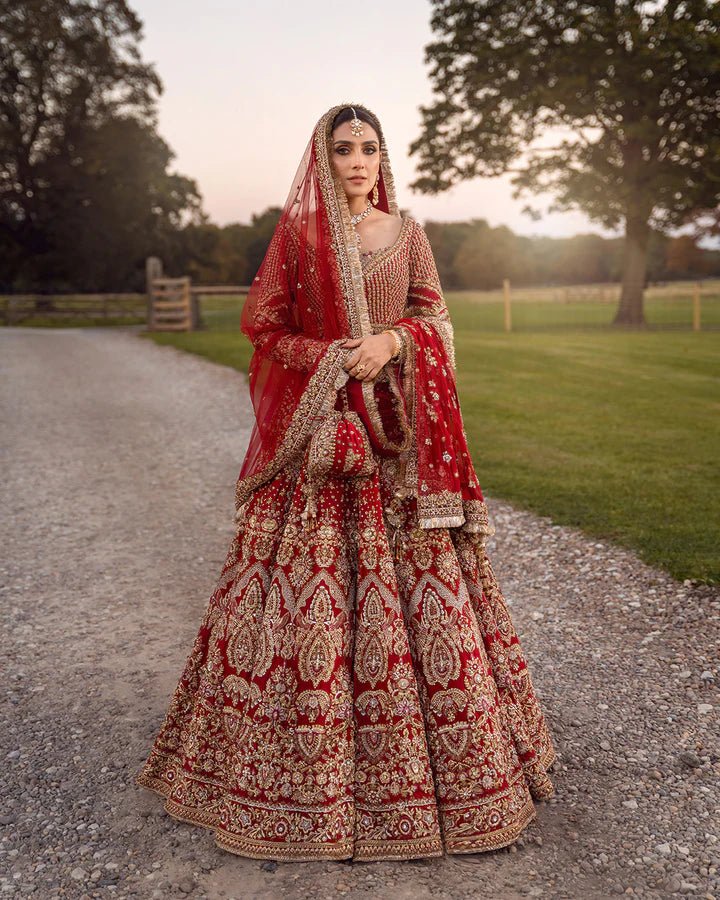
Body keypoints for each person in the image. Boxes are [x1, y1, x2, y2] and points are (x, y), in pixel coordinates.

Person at [135, 103, 556, 863]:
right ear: (322, 160)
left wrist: (393, 340)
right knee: (303, 603)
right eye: (343, 149)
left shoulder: (410, 235)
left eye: (369, 148)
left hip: (398, 448)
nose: (357, 161)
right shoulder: (299, 241)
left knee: (430, 598)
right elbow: (263, 328)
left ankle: (449, 773)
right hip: (323, 446)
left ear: (381, 158)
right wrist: (334, 358)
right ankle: (291, 774)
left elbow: (439, 319)